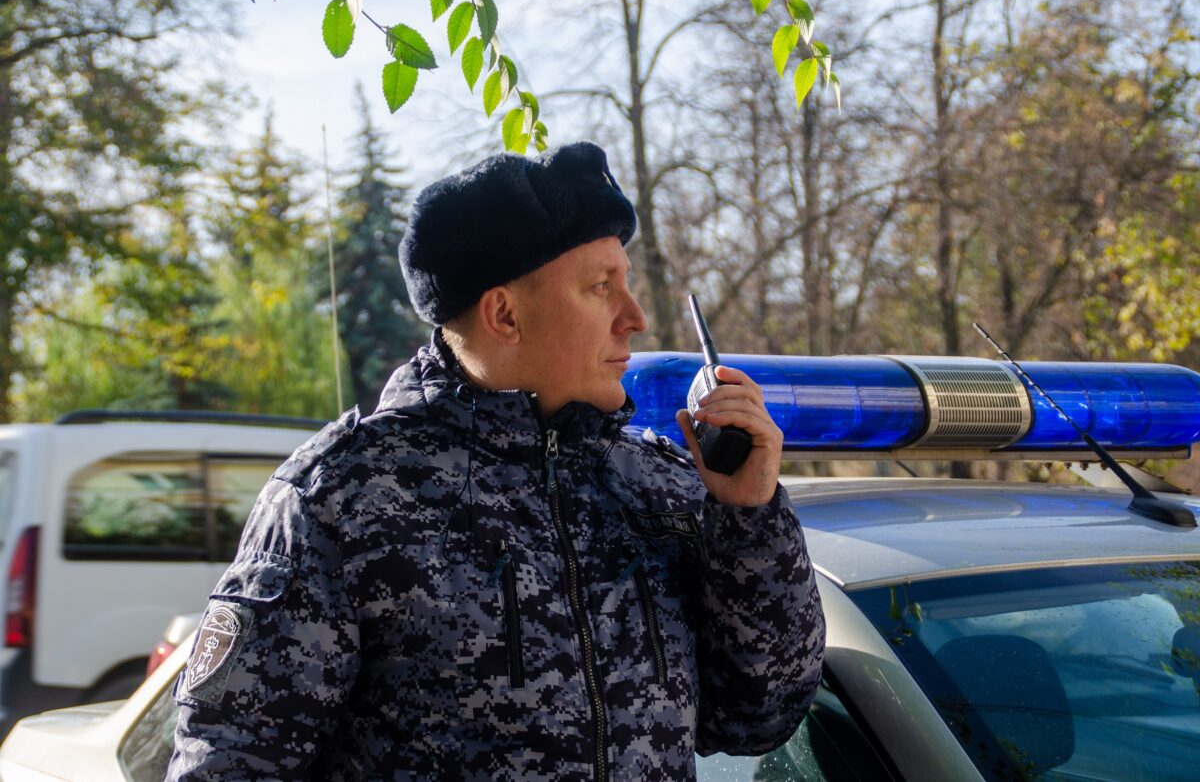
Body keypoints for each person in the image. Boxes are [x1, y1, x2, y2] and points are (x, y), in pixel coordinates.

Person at [166, 141, 824, 780]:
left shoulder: (656, 484)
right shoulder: (341, 499)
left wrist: (749, 521)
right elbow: (227, 765)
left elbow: (754, 722)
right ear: (504, 314)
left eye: (627, 284)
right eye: (601, 287)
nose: (636, 317)